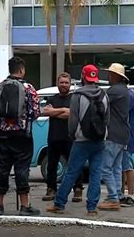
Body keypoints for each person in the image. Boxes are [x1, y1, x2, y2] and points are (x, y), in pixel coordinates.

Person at [47, 64, 109, 216]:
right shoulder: (104, 95)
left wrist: (73, 135)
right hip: (99, 140)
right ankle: (92, 207)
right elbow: (107, 119)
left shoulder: (78, 95)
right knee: (95, 174)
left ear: (83, 76)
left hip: (81, 140)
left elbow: (73, 121)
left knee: (71, 172)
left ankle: (59, 203)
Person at [0, 56, 40, 216]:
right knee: (22, 169)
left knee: (2, 169)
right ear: (21, 69)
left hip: (3, 135)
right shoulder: (28, 88)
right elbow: (35, 113)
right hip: (22, 136)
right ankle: (24, 206)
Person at [42, 72, 84, 202]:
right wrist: (64, 110)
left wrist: (56, 112)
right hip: (54, 137)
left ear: (70, 84)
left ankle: (78, 189)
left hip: (70, 137)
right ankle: (51, 189)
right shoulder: (51, 99)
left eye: (66, 83)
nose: (64, 85)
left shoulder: (75, 98)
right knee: (52, 165)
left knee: (74, 164)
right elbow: (46, 111)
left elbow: (73, 114)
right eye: (61, 82)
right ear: (57, 83)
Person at [98, 63, 130, 211]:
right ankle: (116, 194)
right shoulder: (124, 90)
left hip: (113, 134)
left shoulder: (114, 91)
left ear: (116, 76)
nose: (108, 76)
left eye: (110, 74)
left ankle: (113, 197)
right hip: (123, 134)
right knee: (116, 167)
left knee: (105, 168)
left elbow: (98, 103)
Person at [120, 87, 134, 207]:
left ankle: (130, 195)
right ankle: (122, 194)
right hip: (124, 134)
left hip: (125, 135)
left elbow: (122, 113)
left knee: (127, 166)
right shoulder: (129, 94)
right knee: (122, 167)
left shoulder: (129, 96)